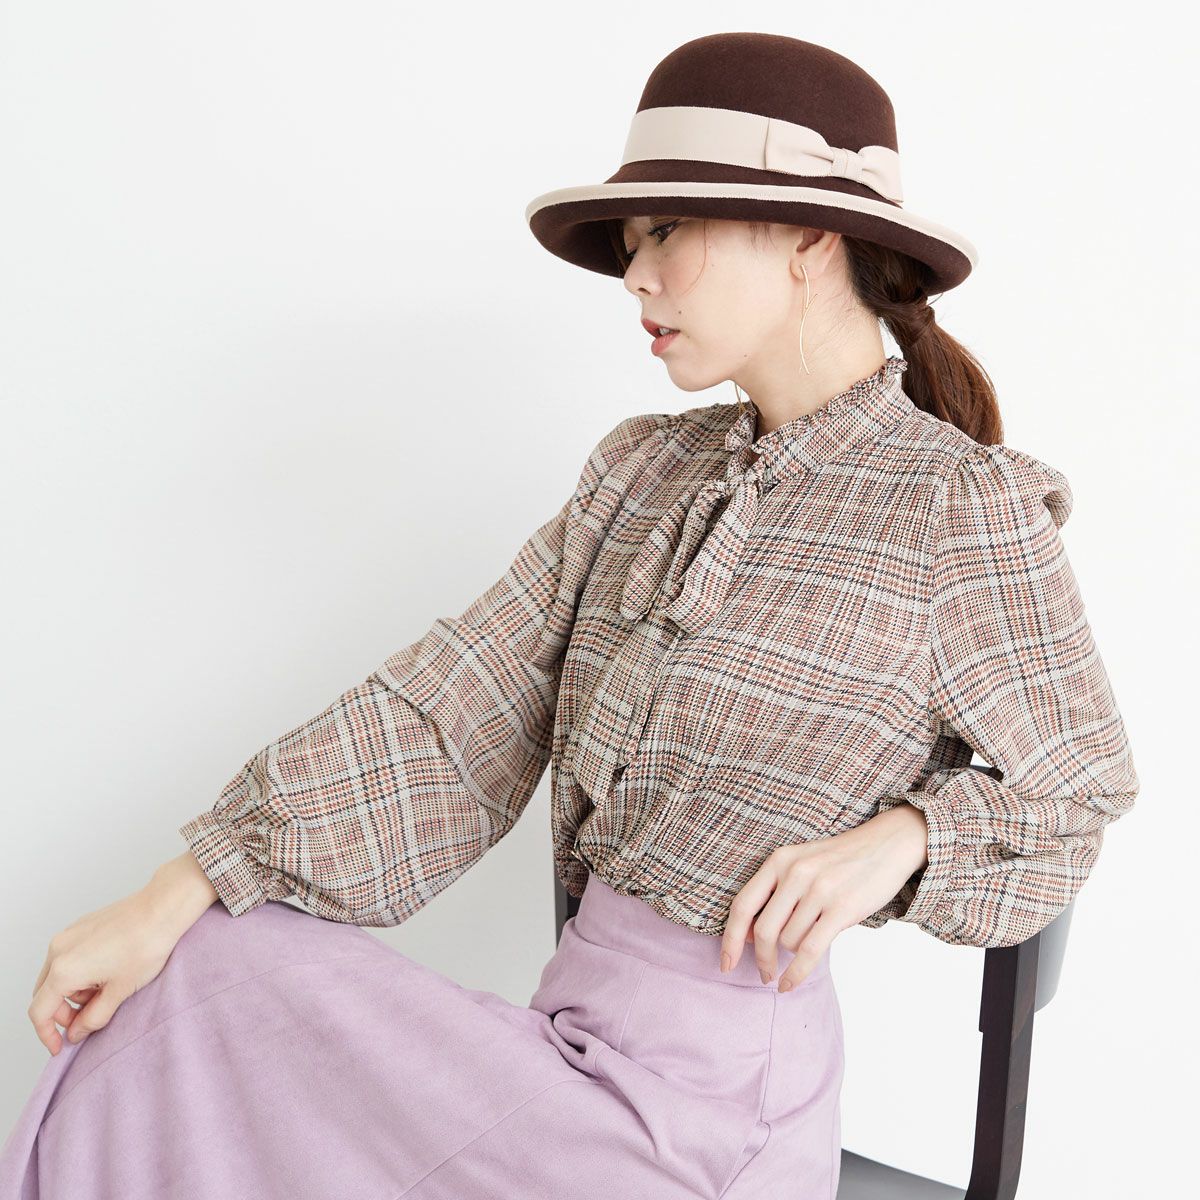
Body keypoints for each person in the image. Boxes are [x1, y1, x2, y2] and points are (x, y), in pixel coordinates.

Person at [0, 31, 1139, 1200]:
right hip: (558, 1060)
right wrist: (177, 889)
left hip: (712, 1121)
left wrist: (910, 839)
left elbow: (1078, 793)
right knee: (200, 967)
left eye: (668, 231)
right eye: (633, 242)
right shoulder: (640, 476)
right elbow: (448, 717)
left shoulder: (958, 508)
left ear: (811, 237)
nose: (637, 276)